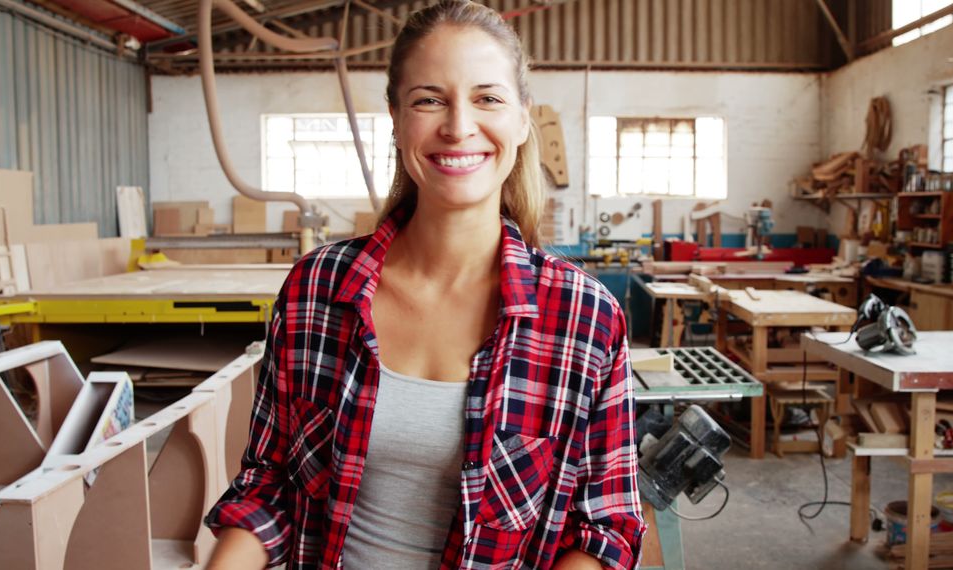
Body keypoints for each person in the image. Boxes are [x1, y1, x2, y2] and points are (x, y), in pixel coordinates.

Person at [203, 1, 645, 568]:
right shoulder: (316, 291)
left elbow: (605, 528)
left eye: (487, 98)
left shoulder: (584, 317)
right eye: (429, 99)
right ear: (395, 115)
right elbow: (270, 484)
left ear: (521, 116)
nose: (459, 126)